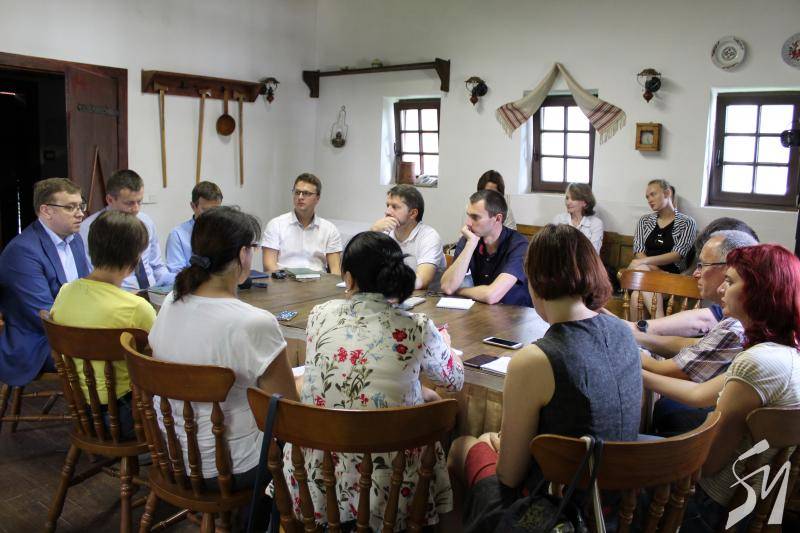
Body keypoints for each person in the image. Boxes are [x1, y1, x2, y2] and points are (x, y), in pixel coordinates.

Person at [448, 224, 641, 533]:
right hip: (617, 500)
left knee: (463, 445)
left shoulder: (536, 359)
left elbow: (509, 475)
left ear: (534, 282)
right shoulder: (622, 332)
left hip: (557, 510)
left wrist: (497, 442)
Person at [277, 231, 464, 530]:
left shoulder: (320, 315)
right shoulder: (417, 326)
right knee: (432, 412)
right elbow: (454, 381)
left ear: (349, 279)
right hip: (392, 484)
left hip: (317, 475)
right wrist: (446, 345)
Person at [642, 244, 800, 532]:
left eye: (730, 281)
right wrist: (638, 371)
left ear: (758, 291)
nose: (721, 289)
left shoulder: (756, 362)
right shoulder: (784, 352)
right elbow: (698, 394)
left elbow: (708, 465)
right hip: (749, 506)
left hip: (708, 506)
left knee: (610, 463)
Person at [149, 206, 298, 486]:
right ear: (243, 254)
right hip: (233, 466)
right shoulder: (253, 322)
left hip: (171, 454)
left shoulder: (171, 301)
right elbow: (288, 411)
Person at [637, 230, 757, 436]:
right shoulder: (742, 324)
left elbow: (694, 392)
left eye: (730, 281)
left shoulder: (738, 331)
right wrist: (634, 334)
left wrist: (623, 347)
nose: (695, 273)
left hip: (707, 441)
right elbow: (692, 346)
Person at [50, 210, 155, 438]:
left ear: (91, 250)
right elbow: (160, 360)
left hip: (82, 411)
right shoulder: (136, 308)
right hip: (127, 416)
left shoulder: (65, 292)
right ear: (134, 261)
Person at [0, 178, 90, 387]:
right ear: (46, 211)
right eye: (70, 207)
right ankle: (104, 406)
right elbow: (44, 315)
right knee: (111, 354)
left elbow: (86, 291)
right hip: (38, 341)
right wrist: (94, 329)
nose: (80, 213)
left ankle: (109, 405)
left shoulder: (75, 239)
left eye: (81, 205)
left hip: (73, 329)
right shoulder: (23, 251)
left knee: (126, 345)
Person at [624, 218, 759, 338]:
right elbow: (690, 337)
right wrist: (633, 330)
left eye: (703, 265)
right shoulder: (731, 310)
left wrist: (630, 330)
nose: (696, 273)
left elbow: (698, 324)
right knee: (636, 295)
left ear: (731, 266)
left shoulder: (740, 322)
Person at [80, 169, 174, 290]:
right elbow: (94, 275)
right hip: (117, 294)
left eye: (139, 202)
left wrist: (174, 282)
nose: (136, 209)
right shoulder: (90, 228)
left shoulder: (146, 221)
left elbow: (156, 265)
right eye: (129, 203)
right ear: (110, 200)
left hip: (152, 291)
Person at [440, 190, 532, 306]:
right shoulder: (471, 238)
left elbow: (491, 295)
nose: (468, 223)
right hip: (483, 311)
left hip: (515, 313)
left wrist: (459, 290)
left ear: (497, 219)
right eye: (468, 215)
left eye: (475, 217)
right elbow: (447, 287)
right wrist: (470, 245)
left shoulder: (519, 245)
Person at [261, 173, 343, 275]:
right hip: (284, 281)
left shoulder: (329, 229)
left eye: (306, 193)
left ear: (317, 198)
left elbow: (336, 271)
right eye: (297, 192)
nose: (300, 197)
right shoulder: (276, 225)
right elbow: (269, 266)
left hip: (319, 281)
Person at [370, 184, 445, 289]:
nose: (387, 212)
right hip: (393, 293)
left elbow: (422, 281)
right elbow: (363, 268)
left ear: (413, 213)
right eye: (387, 206)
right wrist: (372, 233)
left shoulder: (429, 237)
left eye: (395, 207)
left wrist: (385, 282)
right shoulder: (384, 232)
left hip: (425, 297)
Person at [630, 179, 697, 275]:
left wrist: (644, 262)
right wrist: (658, 271)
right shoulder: (644, 221)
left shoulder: (687, 222)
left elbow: (678, 254)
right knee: (639, 268)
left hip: (672, 273)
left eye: (653, 194)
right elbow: (638, 250)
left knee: (638, 267)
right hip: (646, 269)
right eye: (647, 197)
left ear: (667, 193)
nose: (649, 200)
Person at [165, 180, 223, 274]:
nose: (212, 215)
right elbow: (177, 274)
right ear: (193, 206)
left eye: (216, 210)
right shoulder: (177, 235)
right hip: (193, 282)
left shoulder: (226, 231)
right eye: (206, 210)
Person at [551, 182, 604, 252]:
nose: (568, 202)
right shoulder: (558, 219)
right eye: (567, 198)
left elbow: (593, 252)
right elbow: (552, 248)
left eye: (573, 199)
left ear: (585, 203)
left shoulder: (596, 224)